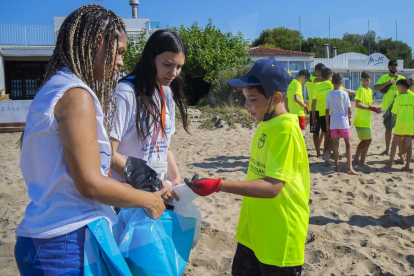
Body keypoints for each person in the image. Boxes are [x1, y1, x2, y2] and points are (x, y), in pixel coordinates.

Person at [14, 5, 166, 275]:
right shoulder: (75, 94)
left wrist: (143, 177)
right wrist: (147, 200)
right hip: (64, 244)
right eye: (119, 52)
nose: (121, 63)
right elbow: (90, 185)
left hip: (49, 238)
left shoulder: (57, 86)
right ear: (99, 43)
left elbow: (91, 165)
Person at [185, 59, 309, 276]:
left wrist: (218, 185)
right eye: (245, 98)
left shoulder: (286, 130)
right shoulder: (265, 124)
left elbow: (272, 187)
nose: (246, 105)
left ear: (276, 97)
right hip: (254, 231)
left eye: (253, 99)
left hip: (279, 236)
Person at [110, 30, 188, 200]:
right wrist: (149, 181)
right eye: (167, 65)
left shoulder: (166, 92)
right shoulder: (125, 93)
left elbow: (163, 145)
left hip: (154, 192)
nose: (173, 73)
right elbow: (107, 153)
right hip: (126, 196)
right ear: (149, 59)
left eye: (179, 67)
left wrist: (175, 181)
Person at [325, 73, 358, 175]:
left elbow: (327, 111)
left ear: (332, 82)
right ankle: (349, 168)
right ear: (341, 83)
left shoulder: (329, 94)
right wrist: (349, 118)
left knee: (335, 145)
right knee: (348, 144)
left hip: (333, 122)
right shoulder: (344, 94)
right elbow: (349, 109)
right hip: (343, 122)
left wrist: (327, 124)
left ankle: (338, 167)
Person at [373, 60, 405, 155]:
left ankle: (401, 152)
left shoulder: (402, 78)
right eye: (391, 65)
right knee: (388, 129)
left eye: (395, 65)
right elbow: (375, 88)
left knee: (400, 131)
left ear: (397, 67)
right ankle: (387, 150)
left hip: (400, 109)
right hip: (387, 108)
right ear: (388, 67)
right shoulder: (384, 77)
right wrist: (387, 83)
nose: (393, 67)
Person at [353, 71, 382, 166]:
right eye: (363, 80)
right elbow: (357, 104)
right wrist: (372, 108)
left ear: (371, 80)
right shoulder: (360, 90)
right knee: (368, 139)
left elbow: (368, 105)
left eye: (367, 80)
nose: (365, 82)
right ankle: (362, 161)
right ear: (361, 80)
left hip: (367, 120)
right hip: (360, 119)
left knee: (366, 140)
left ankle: (356, 159)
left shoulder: (370, 91)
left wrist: (376, 109)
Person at [384, 79, 414, 171]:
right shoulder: (412, 97)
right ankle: (407, 165)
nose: (397, 89)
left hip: (400, 123)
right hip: (410, 124)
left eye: (397, 87)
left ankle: (389, 164)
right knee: (409, 146)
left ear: (401, 87)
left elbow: (395, 113)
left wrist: (398, 121)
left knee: (394, 144)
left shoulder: (398, 98)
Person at [312, 68, 334, 164]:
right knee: (332, 135)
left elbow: (313, 104)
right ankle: (326, 154)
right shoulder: (333, 84)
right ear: (330, 76)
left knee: (326, 134)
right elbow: (343, 91)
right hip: (332, 113)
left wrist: (313, 118)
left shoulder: (317, 87)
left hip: (321, 113)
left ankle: (326, 154)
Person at [306, 63, 325, 156]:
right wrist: (328, 78)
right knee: (315, 131)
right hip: (314, 109)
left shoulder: (320, 80)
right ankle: (318, 152)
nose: (322, 76)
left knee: (324, 130)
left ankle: (320, 147)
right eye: (322, 73)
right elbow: (318, 79)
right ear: (317, 72)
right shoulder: (310, 79)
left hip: (323, 108)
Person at [286, 69, 311, 136]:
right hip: (299, 113)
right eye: (306, 80)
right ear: (303, 76)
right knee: (301, 134)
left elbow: (286, 99)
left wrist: (288, 111)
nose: (305, 82)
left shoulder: (290, 84)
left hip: (291, 113)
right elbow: (296, 98)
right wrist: (305, 106)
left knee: (294, 133)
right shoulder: (297, 84)